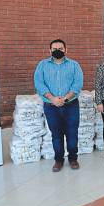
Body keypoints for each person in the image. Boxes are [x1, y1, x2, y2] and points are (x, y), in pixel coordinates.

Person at [34, 39, 84, 172]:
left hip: (71, 105)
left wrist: (65, 99)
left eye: (60, 48)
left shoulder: (74, 65)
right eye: (54, 48)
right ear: (49, 50)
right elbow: (39, 83)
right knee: (56, 135)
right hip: (51, 106)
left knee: (72, 134)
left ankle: (73, 159)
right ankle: (58, 160)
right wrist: (53, 99)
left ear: (66, 50)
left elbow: (77, 84)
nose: (58, 51)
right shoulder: (42, 65)